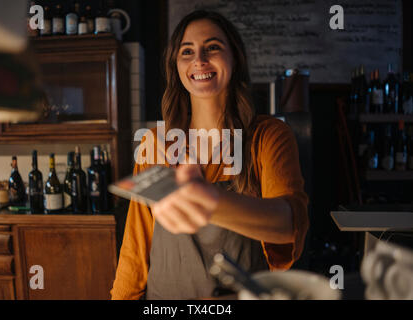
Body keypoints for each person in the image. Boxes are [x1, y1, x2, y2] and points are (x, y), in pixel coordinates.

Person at [111, 10, 309, 300]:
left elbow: (289, 225)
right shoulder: (156, 144)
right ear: (176, 67)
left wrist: (211, 202)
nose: (199, 60)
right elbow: (135, 247)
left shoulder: (268, 136)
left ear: (235, 58)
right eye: (187, 51)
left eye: (213, 47)